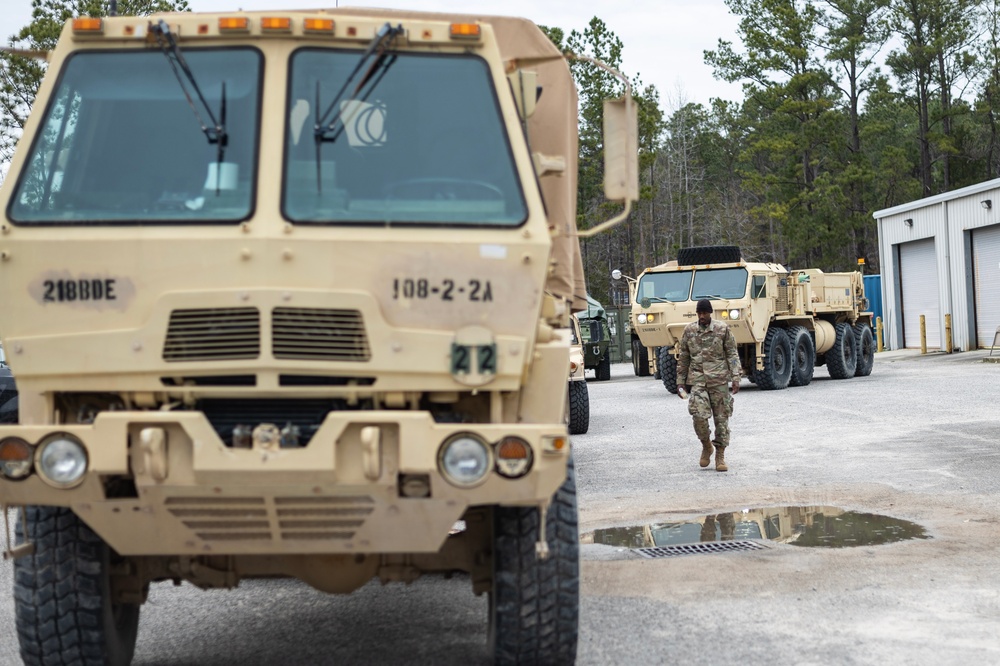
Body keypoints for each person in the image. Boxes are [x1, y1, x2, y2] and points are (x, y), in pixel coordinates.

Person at [676, 299, 742, 471]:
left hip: (719, 381)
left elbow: (732, 353)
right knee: (698, 416)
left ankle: (720, 454)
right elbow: (683, 357)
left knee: (722, 421)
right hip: (698, 381)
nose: (702, 316)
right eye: (699, 313)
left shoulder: (722, 329)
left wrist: (736, 377)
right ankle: (706, 445)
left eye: (705, 313)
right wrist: (680, 382)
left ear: (710, 313)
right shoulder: (689, 331)